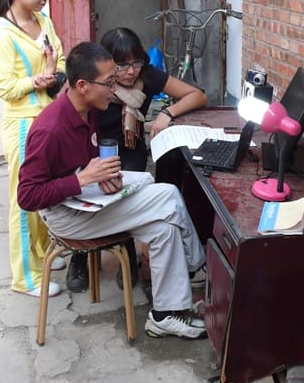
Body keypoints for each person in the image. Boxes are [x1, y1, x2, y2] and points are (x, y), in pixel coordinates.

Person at [17, 42, 208, 340]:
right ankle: (199, 268)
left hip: (85, 198)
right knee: (168, 196)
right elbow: (27, 196)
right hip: (64, 215)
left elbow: (85, 163)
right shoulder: (49, 129)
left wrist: (103, 177)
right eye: (109, 83)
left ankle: (165, 315)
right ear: (83, 86)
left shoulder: (89, 110)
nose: (114, 89)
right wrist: (83, 180)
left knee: (164, 228)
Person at [65, 26, 207, 293]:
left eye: (136, 62)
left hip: (130, 151)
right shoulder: (97, 84)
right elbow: (68, 110)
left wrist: (167, 113)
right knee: (89, 197)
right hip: (93, 151)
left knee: (128, 197)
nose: (130, 71)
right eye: (121, 65)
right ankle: (79, 255)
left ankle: (128, 250)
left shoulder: (147, 76)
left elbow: (197, 95)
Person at [0, 0, 66, 298]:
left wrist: (55, 73)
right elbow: (5, 88)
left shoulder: (43, 20)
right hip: (22, 125)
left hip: (48, 120)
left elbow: (59, 58)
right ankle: (25, 277)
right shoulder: (2, 33)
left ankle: (41, 252)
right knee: (24, 199)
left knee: (46, 193)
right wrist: (37, 80)